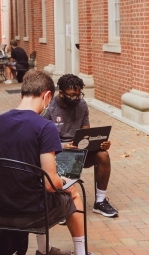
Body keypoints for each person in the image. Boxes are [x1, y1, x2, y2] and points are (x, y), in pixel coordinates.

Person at [0, 70, 91, 255]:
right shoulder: (44, 127)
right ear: (47, 96)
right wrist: (63, 182)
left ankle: (45, 250)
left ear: (22, 93)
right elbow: (50, 184)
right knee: (73, 190)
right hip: (31, 214)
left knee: (40, 188)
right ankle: (81, 252)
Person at [44, 74, 119, 218]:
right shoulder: (49, 109)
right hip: (59, 151)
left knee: (103, 155)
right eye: (71, 95)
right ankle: (61, 206)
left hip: (79, 149)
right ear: (61, 93)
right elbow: (43, 141)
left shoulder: (82, 104)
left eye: (78, 94)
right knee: (66, 159)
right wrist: (64, 146)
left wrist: (99, 143)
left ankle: (100, 202)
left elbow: (86, 131)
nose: (76, 98)